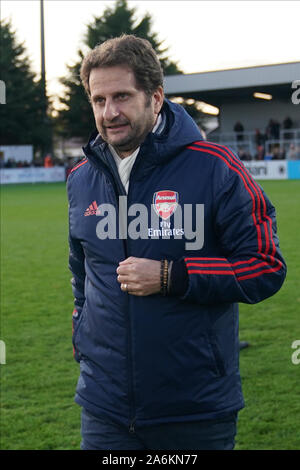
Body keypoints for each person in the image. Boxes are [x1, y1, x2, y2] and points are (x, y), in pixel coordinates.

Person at [67, 35, 287, 450]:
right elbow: (82, 270)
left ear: (155, 97)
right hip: (104, 412)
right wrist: (82, 330)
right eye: (98, 100)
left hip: (194, 410)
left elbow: (265, 267)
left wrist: (172, 276)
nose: (109, 112)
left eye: (122, 96)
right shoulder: (81, 179)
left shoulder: (216, 169)